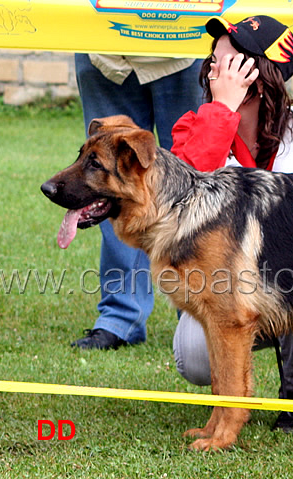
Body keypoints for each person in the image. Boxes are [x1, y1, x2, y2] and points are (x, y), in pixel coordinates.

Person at [170, 15, 293, 432]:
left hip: (288, 282)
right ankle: (228, 403)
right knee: (192, 359)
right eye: (213, 60)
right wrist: (223, 111)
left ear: (259, 72)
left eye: (228, 61)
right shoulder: (195, 125)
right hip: (220, 288)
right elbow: (181, 195)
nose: (214, 68)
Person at [71, 53, 203, 350]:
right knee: (109, 183)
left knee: (196, 182)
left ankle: (198, 315)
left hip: (184, 37)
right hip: (105, 42)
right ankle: (119, 317)